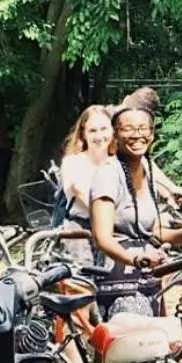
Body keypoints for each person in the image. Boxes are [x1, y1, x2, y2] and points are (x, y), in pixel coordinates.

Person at [89, 106, 182, 315]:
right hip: (120, 283)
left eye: (143, 129)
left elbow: (153, 230)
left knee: (162, 341)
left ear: (152, 134)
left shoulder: (145, 169)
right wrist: (137, 259)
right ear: (116, 135)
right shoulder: (108, 174)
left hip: (148, 278)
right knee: (137, 345)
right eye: (128, 129)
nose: (137, 135)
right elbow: (102, 238)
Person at [57, 104, 113, 267]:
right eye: (93, 131)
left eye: (104, 129)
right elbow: (84, 196)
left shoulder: (119, 162)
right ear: (83, 133)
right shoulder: (73, 163)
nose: (100, 136)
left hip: (114, 229)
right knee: (83, 280)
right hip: (81, 230)